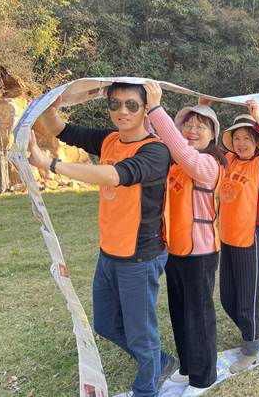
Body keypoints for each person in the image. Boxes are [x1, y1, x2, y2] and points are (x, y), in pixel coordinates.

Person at [28, 82, 176, 397]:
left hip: (140, 256)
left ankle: (147, 389)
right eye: (115, 104)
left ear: (145, 109)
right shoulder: (109, 139)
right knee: (106, 324)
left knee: (141, 334)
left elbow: (113, 175)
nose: (122, 111)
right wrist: (52, 110)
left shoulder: (156, 151)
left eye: (132, 105)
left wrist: (50, 165)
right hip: (109, 251)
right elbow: (61, 129)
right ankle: (160, 362)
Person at [144, 82, 227, 392]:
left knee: (199, 315)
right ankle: (188, 366)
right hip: (174, 249)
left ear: (213, 135)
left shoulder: (209, 164)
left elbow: (180, 148)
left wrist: (156, 108)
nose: (192, 130)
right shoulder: (175, 163)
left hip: (201, 253)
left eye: (200, 126)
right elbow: (159, 139)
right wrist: (147, 112)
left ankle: (204, 377)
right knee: (179, 310)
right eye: (187, 125)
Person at [218, 101, 259, 373]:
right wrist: (203, 109)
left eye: (247, 138)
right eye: (237, 138)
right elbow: (202, 146)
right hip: (227, 237)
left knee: (248, 299)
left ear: (257, 141)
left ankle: (250, 351)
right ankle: (254, 334)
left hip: (251, 237)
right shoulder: (228, 160)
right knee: (227, 298)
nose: (241, 143)